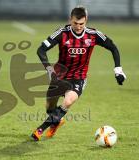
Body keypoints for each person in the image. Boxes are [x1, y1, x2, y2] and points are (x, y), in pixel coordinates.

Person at [31, 6, 126, 141]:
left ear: (86, 20)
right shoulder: (61, 33)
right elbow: (41, 50)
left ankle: (40, 129)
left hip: (78, 78)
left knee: (68, 101)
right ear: (71, 20)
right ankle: (57, 120)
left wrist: (118, 70)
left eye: (81, 23)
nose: (78, 26)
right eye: (75, 23)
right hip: (59, 77)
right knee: (49, 107)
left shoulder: (93, 35)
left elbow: (113, 48)